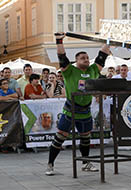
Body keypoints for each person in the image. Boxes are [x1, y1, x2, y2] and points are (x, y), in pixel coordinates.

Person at [45, 33, 110, 176]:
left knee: (86, 137)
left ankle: (85, 163)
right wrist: (58, 40)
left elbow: (102, 55)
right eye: (83, 58)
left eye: (87, 57)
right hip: (70, 111)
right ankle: (50, 165)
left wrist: (109, 39)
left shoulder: (93, 69)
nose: (86, 60)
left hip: (85, 111)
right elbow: (61, 56)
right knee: (60, 137)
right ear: (76, 61)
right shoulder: (69, 71)